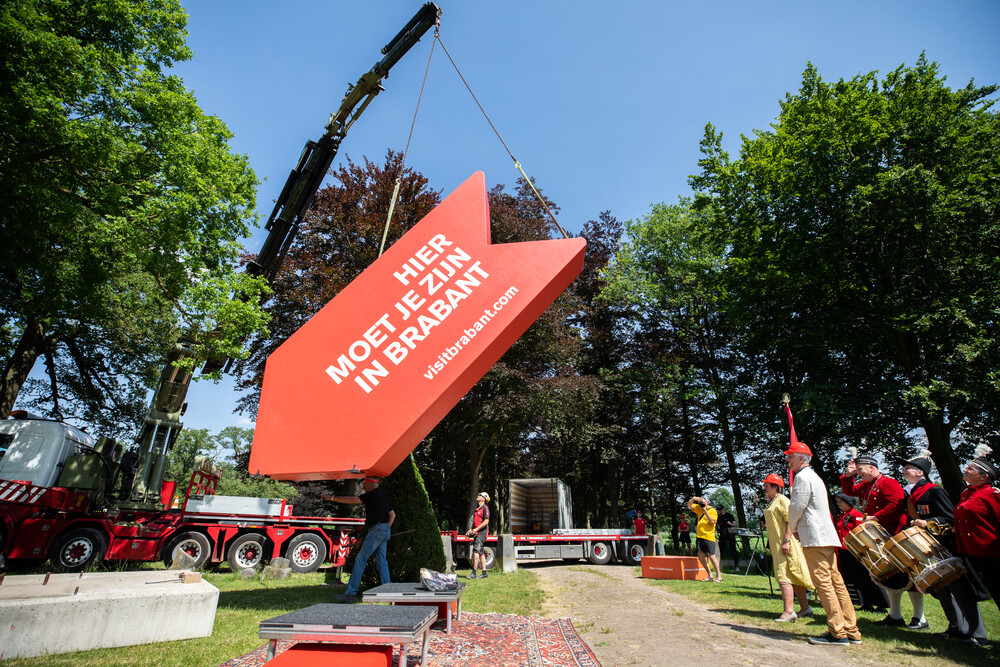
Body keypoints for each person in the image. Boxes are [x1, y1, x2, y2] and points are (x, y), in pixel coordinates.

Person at [901, 451, 988, 645]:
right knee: (943, 589)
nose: (903, 470)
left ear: (920, 472)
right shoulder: (914, 493)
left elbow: (949, 517)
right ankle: (956, 627)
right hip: (929, 546)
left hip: (946, 545)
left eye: (908, 468)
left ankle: (978, 633)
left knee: (961, 589)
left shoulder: (934, 490)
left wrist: (928, 522)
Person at [786, 441, 862, 646]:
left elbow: (796, 507)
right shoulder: (814, 476)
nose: (788, 460)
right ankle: (851, 629)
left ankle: (837, 632)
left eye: (790, 456)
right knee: (836, 583)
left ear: (802, 458)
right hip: (825, 537)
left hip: (814, 537)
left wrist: (791, 530)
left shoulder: (802, 477)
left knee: (824, 584)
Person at [841, 454, 926, 630]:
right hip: (880, 536)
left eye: (861, 470)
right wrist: (849, 476)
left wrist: (876, 517)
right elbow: (849, 491)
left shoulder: (888, 483)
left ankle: (920, 617)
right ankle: (895, 615)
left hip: (894, 535)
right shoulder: (867, 485)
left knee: (910, 577)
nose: (859, 474)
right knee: (889, 576)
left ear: (872, 467)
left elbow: (895, 506)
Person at [329, 477, 395, 602]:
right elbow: (392, 515)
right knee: (382, 562)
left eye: (365, 484)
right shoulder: (384, 496)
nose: (363, 487)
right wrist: (385, 529)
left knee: (360, 559)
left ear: (371, 484)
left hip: (377, 529)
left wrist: (332, 498)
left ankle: (350, 593)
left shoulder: (371, 495)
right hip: (384, 529)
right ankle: (388, 592)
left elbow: (352, 500)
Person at [954, 445, 1000, 619]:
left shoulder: (993, 494)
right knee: (995, 592)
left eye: (970, 468)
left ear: (983, 476)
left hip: (994, 552)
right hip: (976, 553)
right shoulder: (966, 494)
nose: (965, 469)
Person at [761, 473, 814, 622]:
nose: (764, 487)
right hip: (777, 543)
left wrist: (786, 540)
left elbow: (790, 520)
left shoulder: (783, 500)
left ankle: (789, 611)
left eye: (767, 485)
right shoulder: (772, 501)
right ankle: (805, 608)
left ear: (775, 486)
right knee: (793, 575)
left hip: (785, 543)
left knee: (783, 576)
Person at [832, 492, 889, 612]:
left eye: (840, 501)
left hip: (855, 551)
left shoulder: (856, 515)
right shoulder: (842, 515)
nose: (838, 504)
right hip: (843, 551)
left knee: (866, 577)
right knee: (855, 578)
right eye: (837, 502)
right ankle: (865, 602)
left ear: (847, 502)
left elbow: (860, 533)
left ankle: (880, 604)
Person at [689, 496, 723, 582]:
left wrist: (704, 510)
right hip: (699, 536)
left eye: (703, 502)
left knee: (711, 556)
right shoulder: (698, 508)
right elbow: (689, 505)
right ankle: (709, 575)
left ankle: (718, 576)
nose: (701, 504)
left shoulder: (712, 510)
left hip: (708, 536)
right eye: (700, 503)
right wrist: (693, 499)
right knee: (700, 555)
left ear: (706, 502)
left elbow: (712, 522)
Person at [466, 491, 491, 579]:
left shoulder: (485, 508)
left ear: (483, 499)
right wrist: (471, 530)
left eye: (480, 495)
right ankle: (484, 573)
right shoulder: (477, 509)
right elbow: (476, 522)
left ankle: (474, 573)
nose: (478, 496)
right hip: (477, 533)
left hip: (481, 533)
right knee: (480, 553)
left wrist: (476, 529)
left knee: (475, 552)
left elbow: (486, 521)